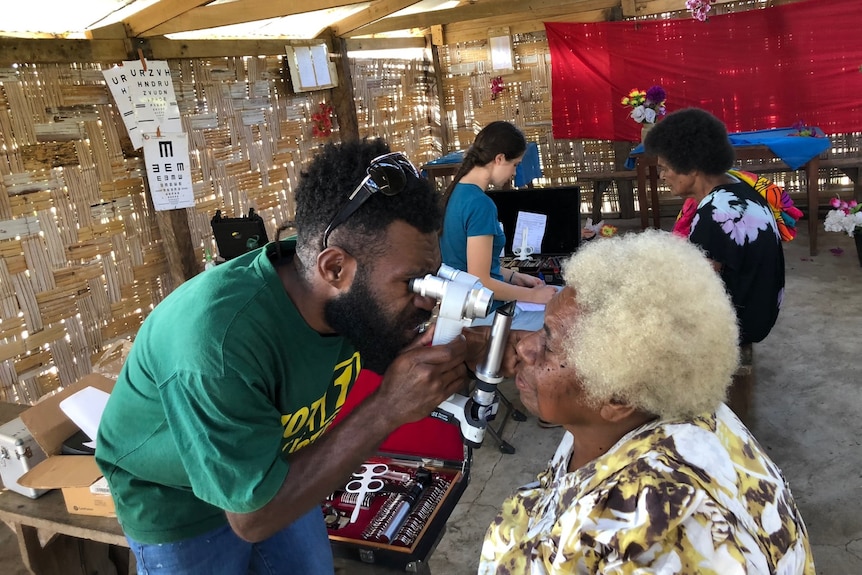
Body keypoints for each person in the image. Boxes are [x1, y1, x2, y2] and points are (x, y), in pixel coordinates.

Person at [95, 139, 509, 574]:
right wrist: (385, 409)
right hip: (177, 502)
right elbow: (253, 519)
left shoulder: (340, 298)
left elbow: (397, 351)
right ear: (334, 268)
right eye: (412, 283)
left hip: (277, 465)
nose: (425, 302)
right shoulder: (217, 343)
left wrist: (476, 345)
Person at [479, 230, 815, 574]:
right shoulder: (653, 401)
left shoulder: (658, 538)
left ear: (618, 397)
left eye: (549, 342)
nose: (523, 347)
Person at [643, 107, 785, 345]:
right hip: (760, 313)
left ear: (692, 168)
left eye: (665, 168)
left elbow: (696, 290)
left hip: (739, 325)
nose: (662, 176)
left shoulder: (714, 214)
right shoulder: (739, 188)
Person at [439, 120, 557, 333]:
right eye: (515, 165)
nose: (514, 173)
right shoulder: (480, 204)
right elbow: (480, 280)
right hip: (486, 314)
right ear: (499, 158)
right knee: (568, 317)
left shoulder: (457, 193)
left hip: (463, 308)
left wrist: (515, 276)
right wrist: (532, 296)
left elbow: (469, 265)